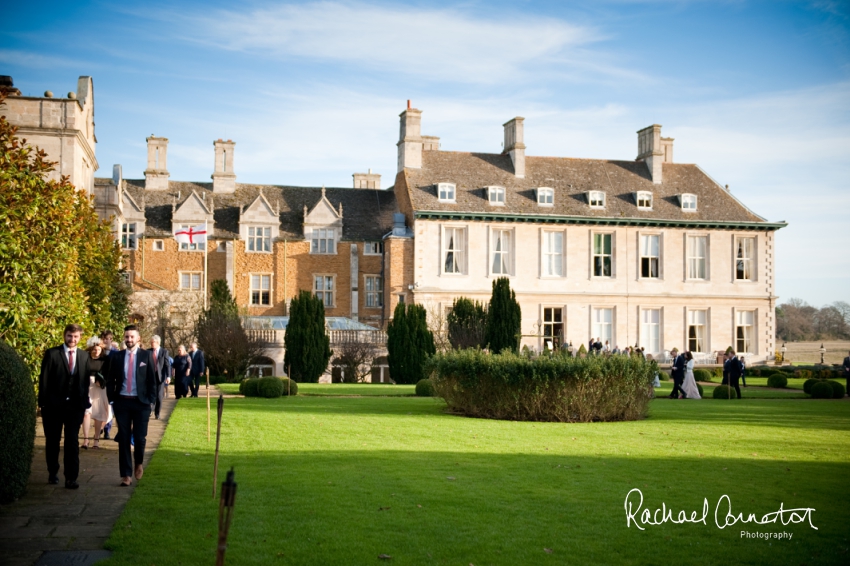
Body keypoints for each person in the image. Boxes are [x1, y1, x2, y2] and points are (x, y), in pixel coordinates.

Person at [38, 323, 91, 489]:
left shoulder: (83, 356)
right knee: (53, 441)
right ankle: (52, 472)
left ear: (80, 337)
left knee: (72, 442)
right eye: (70, 336)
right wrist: (43, 404)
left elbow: (84, 381)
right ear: (64, 335)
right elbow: (44, 380)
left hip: (75, 407)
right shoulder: (53, 354)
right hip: (53, 406)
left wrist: (84, 403)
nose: (72, 339)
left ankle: (71, 477)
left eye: (75, 337)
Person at [105, 324, 157, 487]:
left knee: (140, 438)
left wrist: (150, 400)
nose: (129, 339)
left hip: (141, 403)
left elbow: (152, 381)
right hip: (122, 402)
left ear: (138, 338)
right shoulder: (117, 357)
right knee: (124, 438)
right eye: (126, 337)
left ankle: (139, 463)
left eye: (132, 337)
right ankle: (126, 474)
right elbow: (109, 379)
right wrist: (112, 398)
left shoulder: (146, 356)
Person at [81, 337, 112, 449]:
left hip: (99, 388)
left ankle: (96, 440)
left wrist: (102, 381)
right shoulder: (85, 358)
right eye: (94, 349)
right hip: (87, 386)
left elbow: (108, 374)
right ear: (90, 349)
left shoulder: (106, 359)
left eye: (98, 349)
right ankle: (85, 440)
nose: (96, 351)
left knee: (98, 414)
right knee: (86, 412)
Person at [148, 335, 171, 419]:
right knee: (150, 395)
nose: (151, 344)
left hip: (160, 377)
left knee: (159, 396)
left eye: (152, 342)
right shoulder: (148, 352)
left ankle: (157, 413)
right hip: (150, 377)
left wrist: (168, 376)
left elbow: (167, 365)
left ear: (157, 342)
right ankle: (150, 410)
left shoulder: (164, 352)